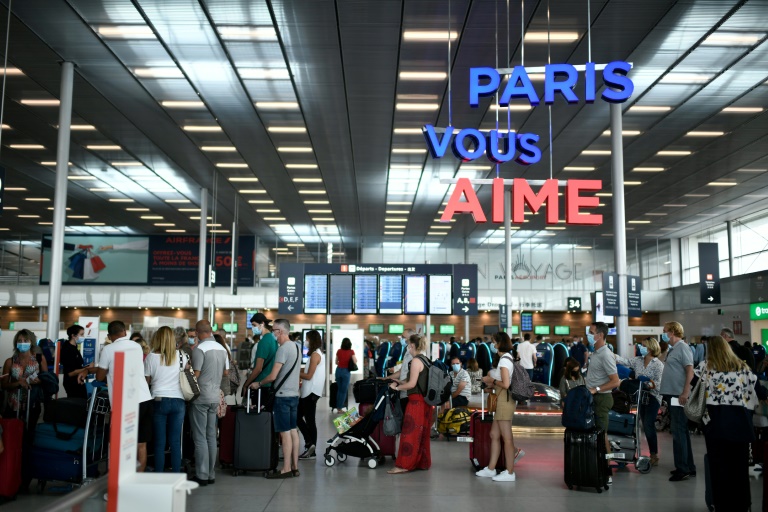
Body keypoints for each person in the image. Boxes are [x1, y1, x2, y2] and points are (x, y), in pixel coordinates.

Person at [694, 335, 758, 511]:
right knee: (740, 469)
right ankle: (742, 505)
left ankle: (722, 505)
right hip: (741, 424)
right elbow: (756, 392)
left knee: (719, 468)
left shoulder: (705, 367)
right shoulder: (742, 367)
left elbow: (695, 390)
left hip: (716, 424)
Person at [96, 321, 153, 472]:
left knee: (119, 442)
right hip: (144, 398)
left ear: (109, 336)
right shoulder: (137, 347)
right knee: (141, 443)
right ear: (125, 332)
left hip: (125, 402)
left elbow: (100, 376)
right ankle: (137, 478)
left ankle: (119, 477)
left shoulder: (108, 349)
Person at [251, 319, 302, 479]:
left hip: (282, 397)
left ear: (280, 331)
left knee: (284, 433)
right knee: (293, 430)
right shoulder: (297, 347)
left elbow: (273, 376)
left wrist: (258, 383)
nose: (272, 333)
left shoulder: (282, 349)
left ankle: (285, 469)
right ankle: (295, 467)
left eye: (274, 330)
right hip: (294, 395)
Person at [475, 331, 522, 482]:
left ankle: (510, 472)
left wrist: (492, 381)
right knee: (494, 434)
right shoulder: (506, 358)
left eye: (494, 342)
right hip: (502, 399)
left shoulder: (504, 361)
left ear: (500, 343)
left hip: (505, 401)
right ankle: (491, 468)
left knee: (507, 438)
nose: (492, 344)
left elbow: (506, 384)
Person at [187, 320, 228, 486]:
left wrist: (187, 371)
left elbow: (195, 375)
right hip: (215, 396)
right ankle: (211, 474)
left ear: (197, 332)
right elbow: (225, 372)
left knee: (200, 437)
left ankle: (202, 475)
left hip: (200, 398)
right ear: (210, 331)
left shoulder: (200, 349)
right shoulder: (222, 349)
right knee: (211, 435)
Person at [387, 334, 433, 474]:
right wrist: (400, 382)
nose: (407, 347)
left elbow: (411, 384)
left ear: (412, 345)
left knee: (410, 434)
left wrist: (397, 388)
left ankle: (404, 465)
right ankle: (421, 462)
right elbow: (416, 382)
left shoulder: (415, 361)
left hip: (415, 403)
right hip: (425, 402)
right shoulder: (425, 360)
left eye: (408, 345)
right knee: (421, 435)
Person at [144, 326, 187, 473]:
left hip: (158, 400)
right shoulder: (181, 356)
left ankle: (159, 475)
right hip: (178, 401)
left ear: (157, 338)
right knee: (175, 442)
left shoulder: (151, 357)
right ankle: (176, 475)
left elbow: (146, 382)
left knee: (159, 442)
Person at [615, 337, 664, 466]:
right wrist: (612, 355)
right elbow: (624, 361)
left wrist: (648, 383)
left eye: (643, 345)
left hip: (653, 397)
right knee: (637, 422)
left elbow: (659, 384)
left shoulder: (658, 364)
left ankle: (653, 454)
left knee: (648, 424)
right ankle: (633, 450)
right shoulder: (638, 360)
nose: (640, 347)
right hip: (640, 396)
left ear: (651, 348)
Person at [659, 321, 696, 481]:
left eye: (665, 330)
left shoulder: (683, 347)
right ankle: (688, 466)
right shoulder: (673, 349)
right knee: (681, 431)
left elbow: (690, 371)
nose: (663, 333)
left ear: (672, 332)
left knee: (678, 431)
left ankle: (683, 468)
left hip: (678, 395)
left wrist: (685, 392)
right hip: (673, 394)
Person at [585, 321, 620, 480]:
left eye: (591, 332)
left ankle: (607, 471)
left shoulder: (606, 354)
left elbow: (615, 381)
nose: (588, 335)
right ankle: (596, 466)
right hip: (593, 398)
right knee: (597, 434)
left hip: (602, 398)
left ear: (600, 335)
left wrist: (596, 389)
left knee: (602, 435)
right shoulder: (596, 353)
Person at [298, 330, 325, 460]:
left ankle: (310, 445)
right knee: (307, 419)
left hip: (310, 392)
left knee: (303, 419)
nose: (305, 341)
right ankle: (310, 445)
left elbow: (309, 376)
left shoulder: (315, 355)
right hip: (310, 392)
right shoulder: (317, 354)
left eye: (307, 339)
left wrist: (294, 372)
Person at [242, 313, 277, 396]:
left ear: (262, 324)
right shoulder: (273, 339)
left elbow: (258, 368)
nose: (253, 328)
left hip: (261, 384)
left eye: (254, 325)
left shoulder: (263, 341)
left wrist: (246, 384)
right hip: (270, 383)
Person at [60, 324, 94, 399]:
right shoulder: (67, 349)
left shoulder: (74, 347)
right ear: (73, 336)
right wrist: (87, 368)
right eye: (81, 334)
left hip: (78, 380)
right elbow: (71, 373)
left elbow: (77, 365)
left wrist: (86, 368)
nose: (83, 336)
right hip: (72, 383)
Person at [333, 338, 357, 414]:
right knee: (343, 391)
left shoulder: (339, 351)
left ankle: (338, 407)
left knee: (339, 390)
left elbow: (336, 362)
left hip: (338, 371)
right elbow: (355, 361)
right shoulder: (351, 351)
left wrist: (341, 363)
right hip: (346, 372)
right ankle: (339, 408)